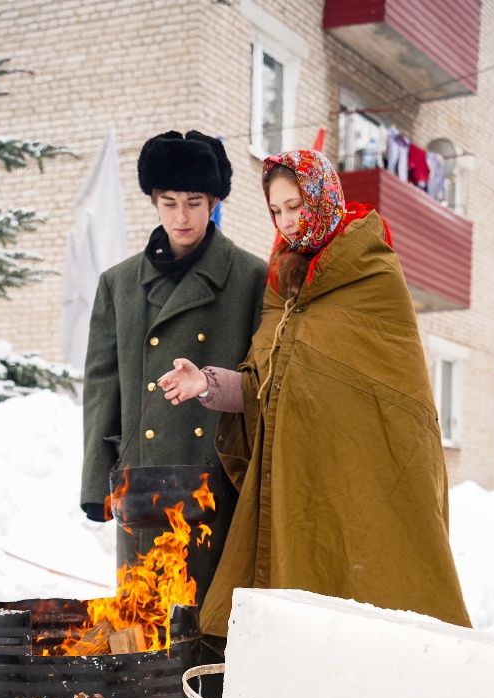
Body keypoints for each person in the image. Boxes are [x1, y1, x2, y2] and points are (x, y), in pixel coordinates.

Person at [157, 148, 471, 640]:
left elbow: (397, 399)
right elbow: (267, 388)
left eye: (296, 207)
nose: (286, 222)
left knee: (369, 615)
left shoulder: (373, 274)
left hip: (361, 482)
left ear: (322, 198)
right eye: (276, 211)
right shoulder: (282, 282)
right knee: (294, 620)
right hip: (293, 483)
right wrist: (208, 384)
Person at [80, 130, 267, 600]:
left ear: (214, 201)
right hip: (143, 479)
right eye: (168, 202)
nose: (181, 217)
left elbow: (265, 381)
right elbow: (104, 385)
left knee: (209, 622)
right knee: (144, 620)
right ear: (154, 202)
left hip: (217, 484)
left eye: (194, 202)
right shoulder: (119, 284)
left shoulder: (251, 278)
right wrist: (94, 480)